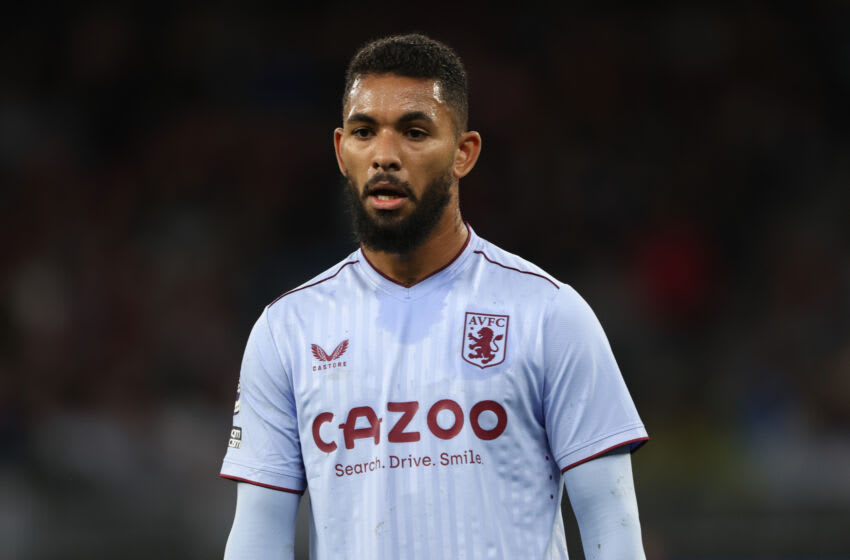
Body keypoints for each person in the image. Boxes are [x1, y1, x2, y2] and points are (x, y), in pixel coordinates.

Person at [220, 33, 649, 559]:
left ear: (463, 153)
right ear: (340, 150)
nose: (385, 156)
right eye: (364, 132)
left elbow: (612, 524)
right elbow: (258, 537)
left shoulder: (548, 314)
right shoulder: (287, 330)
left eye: (415, 132)